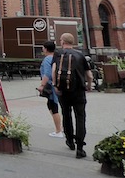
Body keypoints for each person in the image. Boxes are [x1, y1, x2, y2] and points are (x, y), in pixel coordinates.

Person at [52, 32, 93, 160]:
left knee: (66, 114)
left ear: (63, 42)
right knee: (80, 117)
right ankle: (80, 147)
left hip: (63, 91)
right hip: (78, 91)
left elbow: (54, 71)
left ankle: (69, 140)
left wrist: (55, 85)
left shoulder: (58, 54)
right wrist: (89, 85)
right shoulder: (80, 55)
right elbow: (90, 75)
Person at [37, 40, 64, 137]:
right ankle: (60, 129)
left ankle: (58, 130)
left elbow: (47, 73)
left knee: (53, 106)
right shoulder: (57, 57)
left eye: (43, 48)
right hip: (58, 85)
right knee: (55, 106)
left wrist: (42, 85)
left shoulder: (47, 59)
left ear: (46, 49)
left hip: (51, 86)